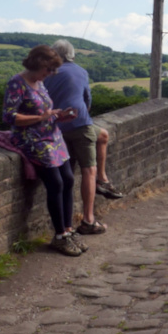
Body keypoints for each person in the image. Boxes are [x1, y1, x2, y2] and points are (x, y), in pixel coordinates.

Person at [2, 45, 85, 257]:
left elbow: (46, 111)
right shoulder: (17, 83)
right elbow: (9, 116)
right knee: (55, 183)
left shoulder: (39, 82)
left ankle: (68, 230)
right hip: (32, 139)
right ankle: (59, 236)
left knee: (68, 179)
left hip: (52, 135)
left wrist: (59, 116)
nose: (50, 74)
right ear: (38, 64)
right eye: (48, 70)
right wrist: (41, 118)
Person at [44, 39, 123, 237]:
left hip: (54, 128)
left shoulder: (46, 73)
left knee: (102, 136)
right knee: (88, 170)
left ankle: (101, 182)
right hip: (79, 125)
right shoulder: (80, 72)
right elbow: (87, 102)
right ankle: (88, 220)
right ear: (72, 54)